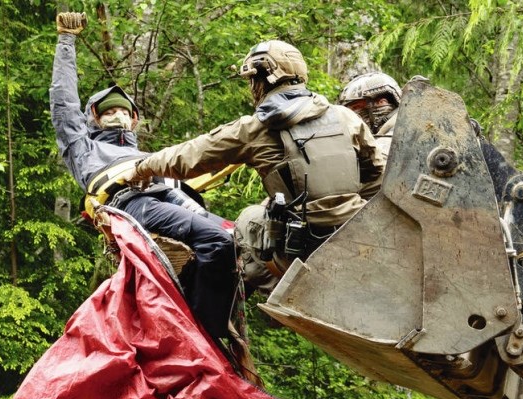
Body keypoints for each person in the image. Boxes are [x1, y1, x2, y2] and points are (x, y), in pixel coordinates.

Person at [120, 40, 385, 295]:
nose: (251, 88)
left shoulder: (255, 128)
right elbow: (376, 175)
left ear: (264, 79)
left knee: (248, 219)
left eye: (251, 80)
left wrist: (141, 167)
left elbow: (189, 156)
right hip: (357, 236)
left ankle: (282, 295)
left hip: (304, 247)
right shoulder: (345, 116)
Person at [51, 12, 237, 340]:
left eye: (124, 111)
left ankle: (197, 309)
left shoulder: (150, 160)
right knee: (217, 240)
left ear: (135, 121)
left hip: (168, 199)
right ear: (93, 119)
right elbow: (64, 105)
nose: (118, 115)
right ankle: (206, 335)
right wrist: (67, 41)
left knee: (237, 239)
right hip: (130, 205)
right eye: (109, 111)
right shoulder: (84, 149)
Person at [338, 72, 402, 199]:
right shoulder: (390, 128)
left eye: (356, 108)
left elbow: (373, 176)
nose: (353, 115)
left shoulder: (396, 132)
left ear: (382, 103)